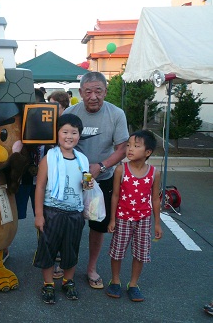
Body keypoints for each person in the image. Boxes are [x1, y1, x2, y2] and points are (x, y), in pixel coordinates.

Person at [63, 71, 129, 289]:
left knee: (97, 226)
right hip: (74, 181)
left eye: (98, 91)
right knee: (69, 225)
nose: (93, 96)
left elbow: (122, 149)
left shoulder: (116, 114)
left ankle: (91, 268)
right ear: (80, 92)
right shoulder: (71, 113)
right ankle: (65, 263)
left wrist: (101, 166)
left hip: (104, 179)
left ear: (105, 92)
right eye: (88, 91)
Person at [33, 114, 92, 304]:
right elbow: (40, 187)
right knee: (48, 249)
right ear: (57, 134)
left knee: (71, 250)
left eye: (74, 132)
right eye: (65, 131)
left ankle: (68, 281)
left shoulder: (82, 159)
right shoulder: (49, 158)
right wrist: (39, 215)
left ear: (79, 135)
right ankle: (48, 283)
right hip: (52, 212)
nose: (69, 136)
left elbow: (83, 184)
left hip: (75, 212)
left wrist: (87, 186)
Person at [106, 130, 162, 302]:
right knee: (117, 252)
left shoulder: (154, 173)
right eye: (129, 145)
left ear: (147, 152)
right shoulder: (121, 170)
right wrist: (112, 219)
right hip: (122, 218)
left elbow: (155, 199)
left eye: (136, 146)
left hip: (143, 219)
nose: (130, 149)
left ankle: (133, 284)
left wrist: (157, 224)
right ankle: (115, 280)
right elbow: (115, 195)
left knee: (140, 253)